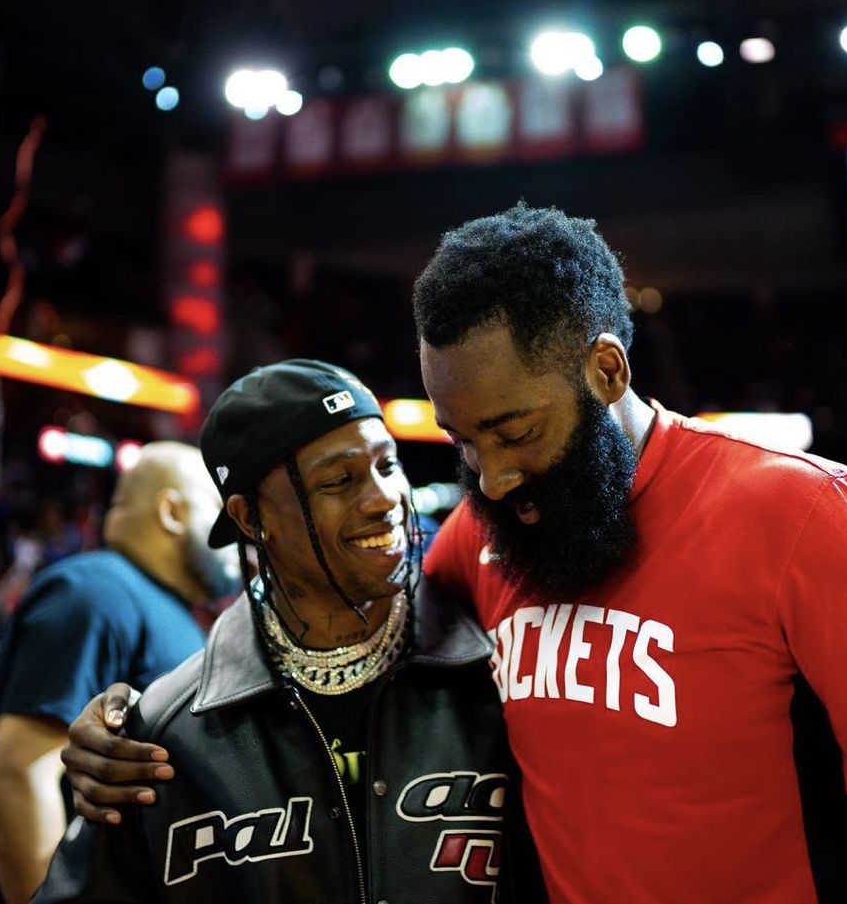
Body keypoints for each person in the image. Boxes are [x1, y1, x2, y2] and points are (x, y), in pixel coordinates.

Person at [60, 205, 847, 904]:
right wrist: (144, 714)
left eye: (516, 430)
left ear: (606, 371)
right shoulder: (486, 537)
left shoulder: (804, 515)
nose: (495, 472)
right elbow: (338, 628)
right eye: (461, 440)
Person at [33, 359, 544, 903]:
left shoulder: (504, 670)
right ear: (251, 518)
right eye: (339, 480)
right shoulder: (164, 735)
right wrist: (139, 728)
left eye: (387, 465)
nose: (383, 499)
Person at [0, 441, 239, 904]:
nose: (236, 528)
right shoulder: (98, 592)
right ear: (172, 511)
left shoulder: (157, 606)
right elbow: (18, 773)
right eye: (217, 506)